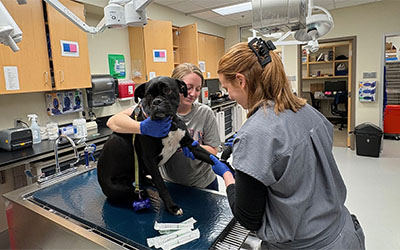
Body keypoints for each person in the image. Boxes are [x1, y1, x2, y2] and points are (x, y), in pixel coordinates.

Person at [204, 38, 365, 249]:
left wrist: (227, 174)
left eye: (228, 88)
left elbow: (247, 218)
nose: (230, 96)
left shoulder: (254, 133)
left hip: (305, 244)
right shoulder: (308, 111)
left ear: (241, 81)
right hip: (344, 233)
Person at [107, 63, 221, 191]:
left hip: (203, 184)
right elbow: (113, 122)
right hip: (170, 184)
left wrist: (188, 145)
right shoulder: (153, 109)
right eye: (189, 88)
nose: (193, 94)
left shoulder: (204, 113)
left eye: (198, 89)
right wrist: (143, 127)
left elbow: (213, 149)